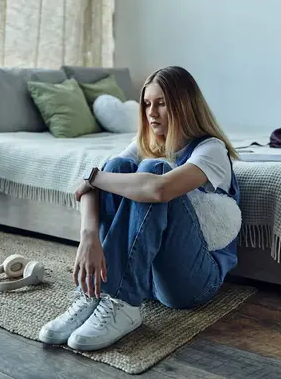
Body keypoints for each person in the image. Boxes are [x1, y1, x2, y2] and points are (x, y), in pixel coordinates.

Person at [39, 66, 240, 351]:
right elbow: (99, 181)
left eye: (161, 104)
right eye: (147, 104)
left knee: (153, 171)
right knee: (118, 167)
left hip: (194, 282)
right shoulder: (146, 143)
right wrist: (88, 236)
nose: (151, 113)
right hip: (149, 279)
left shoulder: (211, 149)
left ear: (184, 105)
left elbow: (158, 189)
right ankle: (93, 292)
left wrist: (92, 177)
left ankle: (125, 304)